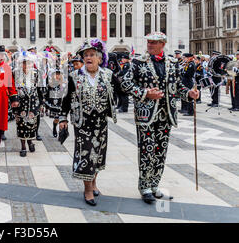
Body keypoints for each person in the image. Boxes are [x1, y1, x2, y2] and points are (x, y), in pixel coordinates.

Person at [121, 32, 199, 204]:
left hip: (166, 114)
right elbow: (125, 84)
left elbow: (177, 87)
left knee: (160, 151)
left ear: (163, 45)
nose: (150, 45)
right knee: (146, 150)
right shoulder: (137, 62)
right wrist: (145, 93)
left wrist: (189, 93)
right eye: (149, 42)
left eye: (154, 43)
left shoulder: (173, 63)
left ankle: (155, 185)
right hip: (146, 114)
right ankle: (145, 187)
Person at [59, 39, 122, 206]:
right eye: (85, 55)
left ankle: (93, 182)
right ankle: (87, 190)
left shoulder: (107, 75)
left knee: (98, 154)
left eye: (92, 54)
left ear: (100, 58)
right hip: (83, 123)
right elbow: (66, 99)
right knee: (86, 154)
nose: (88, 57)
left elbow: (123, 89)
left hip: (101, 123)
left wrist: (145, 95)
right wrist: (63, 118)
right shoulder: (75, 76)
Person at [13, 53, 43, 157]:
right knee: (21, 124)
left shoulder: (36, 73)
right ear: (21, 64)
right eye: (24, 63)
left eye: (29, 63)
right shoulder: (16, 73)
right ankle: (23, 146)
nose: (26, 65)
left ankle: (30, 142)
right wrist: (13, 100)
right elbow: (12, 89)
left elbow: (41, 89)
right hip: (20, 103)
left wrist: (41, 103)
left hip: (33, 103)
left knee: (31, 125)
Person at [44, 69, 65, 138]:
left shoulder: (64, 84)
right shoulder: (50, 84)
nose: (57, 76)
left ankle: (61, 132)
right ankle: (54, 128)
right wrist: (47, 105)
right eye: (56, 74)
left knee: (63, 120)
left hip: (63, 104)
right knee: (56, 119)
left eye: (59, 74)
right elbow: (47, 95)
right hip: (55, 105)